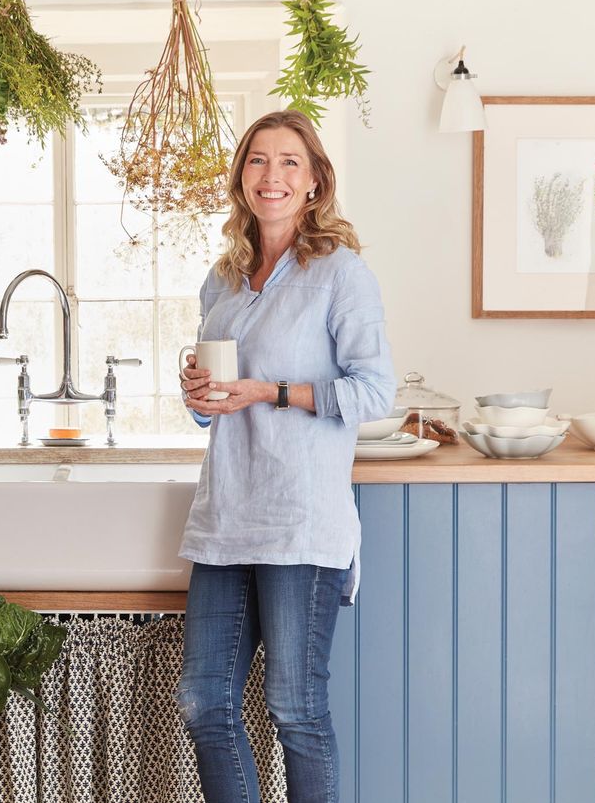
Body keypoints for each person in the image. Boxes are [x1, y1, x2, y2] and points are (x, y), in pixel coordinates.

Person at [176, 109, 395, 803]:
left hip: (301, 521)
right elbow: (210, 405)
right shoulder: (223, 279)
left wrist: (271, 390)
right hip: (226, 518)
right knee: (203, 704)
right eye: (259, 161)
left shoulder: (341, 274)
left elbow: (374, 390)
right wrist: (196, 393)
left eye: (289, 162)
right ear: (242, 178)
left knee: (296, 709)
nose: (272, 175)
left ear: (315, 181)